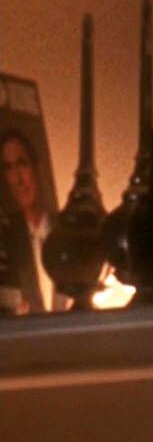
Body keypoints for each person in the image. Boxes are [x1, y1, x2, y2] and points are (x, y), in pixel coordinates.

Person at [2, 128, 59, 313]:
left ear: (37, 167)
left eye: (22, 164)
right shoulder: (7, 243)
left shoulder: (66, 230)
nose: (18, 179)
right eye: (9, 168)